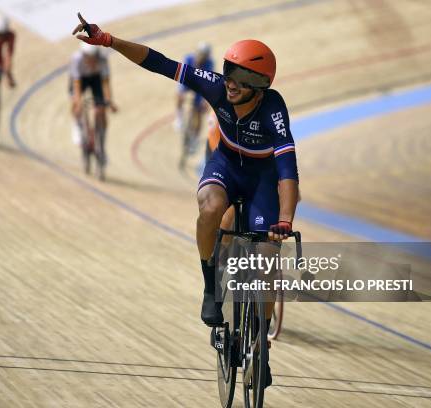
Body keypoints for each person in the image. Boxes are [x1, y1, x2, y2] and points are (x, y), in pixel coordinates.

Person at [72, 13, 299, 386]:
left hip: (262, 179)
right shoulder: (216, 87)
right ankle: (211, 285)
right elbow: (159, 62)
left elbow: (288, 170)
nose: (230, 83)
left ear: (260, 85)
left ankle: (261, 342)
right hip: (226, 164)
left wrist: (285, 220)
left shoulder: (274, 109)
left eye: (240, 78)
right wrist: (109, 40)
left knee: (268, 258)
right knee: (210, 208)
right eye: (227, 72)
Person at [69, 42, 117, 172]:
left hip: (96, 79)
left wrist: (109, 102)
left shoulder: (102, 59)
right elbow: (77, 87)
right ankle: (77, 125)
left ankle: (101, 144)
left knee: (101, 109)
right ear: (83, 56)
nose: (91, 60)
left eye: (93, 57)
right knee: (75, 102)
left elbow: (106, 83)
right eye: (88, 58)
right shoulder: (77, 60)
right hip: (80, 79)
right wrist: (78, 105)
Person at [174, 42, 214, 133]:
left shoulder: (209, 63)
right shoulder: (188, 58)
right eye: (201, 54)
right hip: (187, 81)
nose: (202, 58)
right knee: (179, 96)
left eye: (204, 56)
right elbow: (182, 77)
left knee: (199, 109)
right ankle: (179, 118)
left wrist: (204, 100)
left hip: (200, 85)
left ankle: (196, 135)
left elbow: (208, 82)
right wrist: (181, 92)